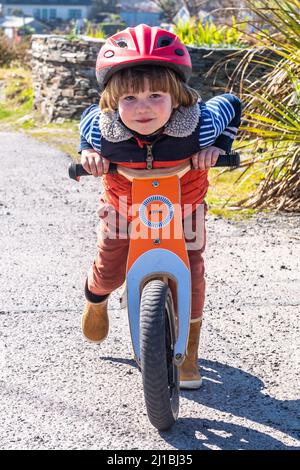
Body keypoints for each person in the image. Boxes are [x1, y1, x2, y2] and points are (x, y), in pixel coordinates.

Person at [79, 24, 242, 390]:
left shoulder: (200, 125)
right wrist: (87, 154)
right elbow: (86, 123)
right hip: (124, 207)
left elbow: (231, 104)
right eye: (130, 100)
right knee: (110, 266)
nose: (143, 108)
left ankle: (189, 352)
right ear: (112, 103)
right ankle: (96, 300)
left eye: (156, 95)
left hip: (183, 208)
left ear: (178, 96)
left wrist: (219, 147)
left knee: (192, 269)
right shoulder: (102, 130)